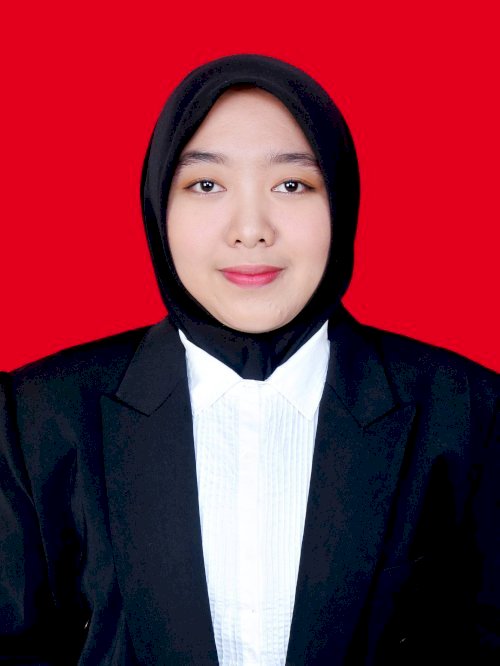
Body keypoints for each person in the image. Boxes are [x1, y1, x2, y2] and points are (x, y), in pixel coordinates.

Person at [0, 54, 498, 665]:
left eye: (292, 185)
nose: (251, 229)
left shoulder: (467, 412)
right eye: (206, 185)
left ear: (340, 201)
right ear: (159, 205)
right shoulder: (36, 416)